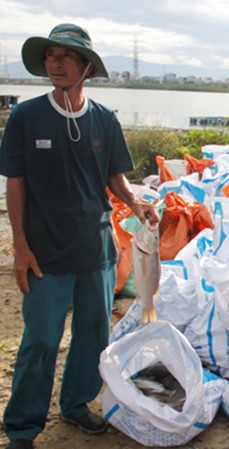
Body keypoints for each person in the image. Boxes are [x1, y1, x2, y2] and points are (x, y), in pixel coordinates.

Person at [0, 24, 158, 449]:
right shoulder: (26, 117)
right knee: (40, 340)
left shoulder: (104, 120)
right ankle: (22, 426)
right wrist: (20, 247)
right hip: (44, 251)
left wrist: (136, 202)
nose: (55, 63)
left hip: (96, 250)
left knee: (93, 335)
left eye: (65, 56)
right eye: (50, 55)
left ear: (86, 66)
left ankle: (75, 405)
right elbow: (15, 183)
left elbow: (115, 179)